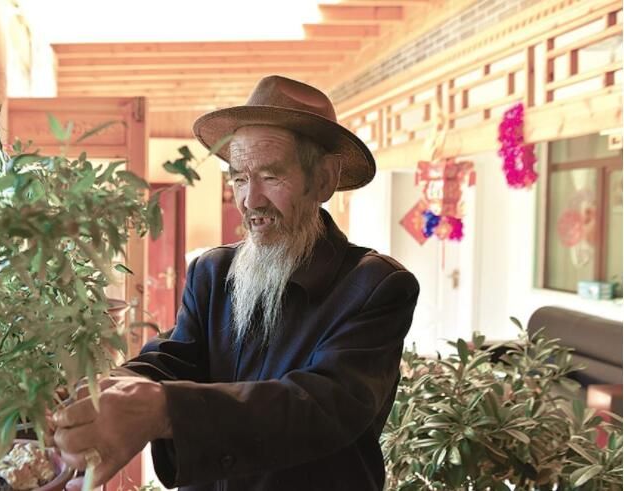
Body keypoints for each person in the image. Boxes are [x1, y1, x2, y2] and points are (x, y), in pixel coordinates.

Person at [51, 75, 420, 490]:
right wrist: (114, 389)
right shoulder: (214, 271)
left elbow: (323, 406)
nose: (250, 200)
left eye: (271, 176)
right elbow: (176, 356)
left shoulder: (376, 286)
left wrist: (165, 410)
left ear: (323, 180)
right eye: (240, 179)